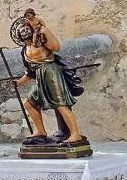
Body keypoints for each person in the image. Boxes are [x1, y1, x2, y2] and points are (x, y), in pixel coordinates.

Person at [13, 8, 86, 145]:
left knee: (60, 104)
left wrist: (45, 32)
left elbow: (56, 47)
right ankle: (40, 131)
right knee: (29, 102)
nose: (25, 31)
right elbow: (30, 72)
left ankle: (75, 135)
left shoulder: (40, 38)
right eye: (21, 31)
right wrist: (18, 82)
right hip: (40, 77)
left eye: (26, 28)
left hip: (51, 72)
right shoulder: (24, 51)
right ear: (19, 36)